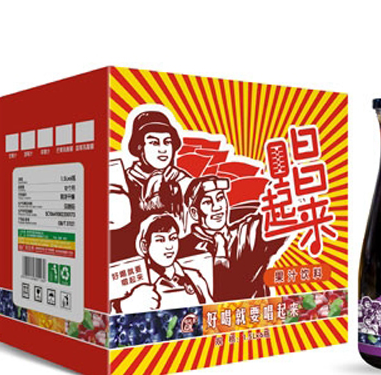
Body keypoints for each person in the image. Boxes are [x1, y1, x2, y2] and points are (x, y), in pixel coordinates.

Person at [179, 175, 285, 302]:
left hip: (256, 310)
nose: (217, 207)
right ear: (194, 212)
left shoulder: (246, 233)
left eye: (220, 198)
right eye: (207, 202)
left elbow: (277, 217)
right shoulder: (182, 250)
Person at [110, 110, 191, 261]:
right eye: (154, 142)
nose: (163, 149)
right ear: (139, 147)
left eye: (167, 142)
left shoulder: (181, 180)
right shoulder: (123, 183)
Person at [111, 214, 211, 313]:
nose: (169, 246)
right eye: (160, 240)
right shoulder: (135, 284)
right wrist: (124, 305)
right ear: (144, 246)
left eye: (173, 238)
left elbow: (212, 311)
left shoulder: (194, 277)